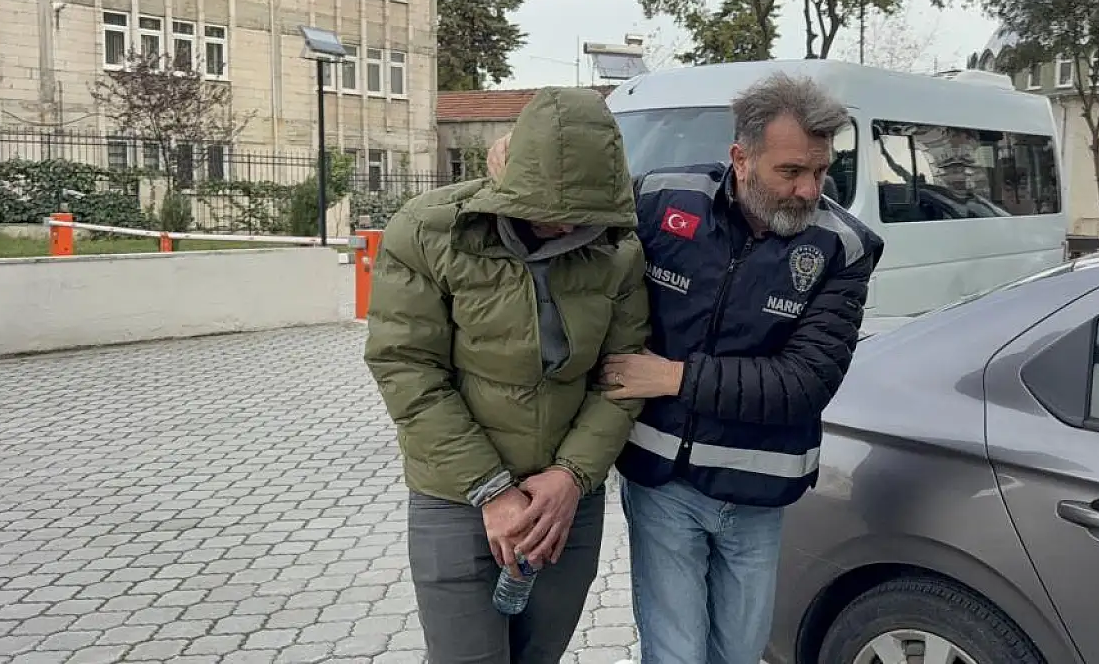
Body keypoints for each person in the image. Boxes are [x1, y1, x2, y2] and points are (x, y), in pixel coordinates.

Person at [600, 71, 885, 664]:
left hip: (758, 489)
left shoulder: (843, 247)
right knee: (676, 653)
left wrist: (673, 377)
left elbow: (804, 383)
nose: (808, 190)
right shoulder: (660, 199)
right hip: (662, 482)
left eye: (821, 171)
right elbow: (572, 223)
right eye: (791, 171)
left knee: (740, 651)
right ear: (741, 159)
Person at [363, 86, 650, 664]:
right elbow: (407, 368)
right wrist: (491, 490)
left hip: (563, 504)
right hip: (457, 498)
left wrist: (571, 477)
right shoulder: (428, 232)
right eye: (550, 207)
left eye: (580, 213)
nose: (565, 227)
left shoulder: (616, 250)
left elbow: (623, 376)